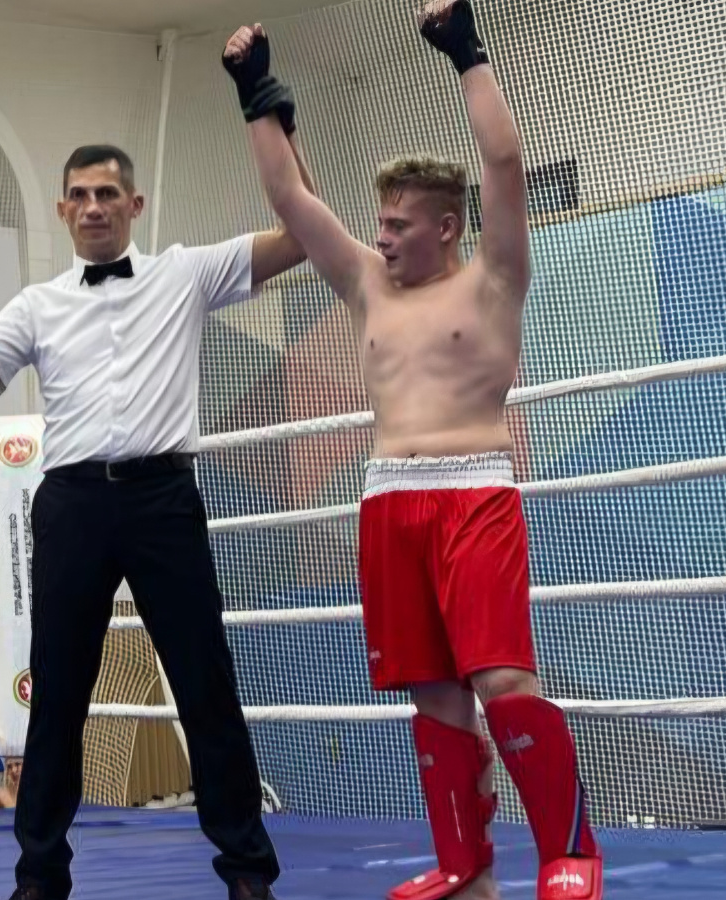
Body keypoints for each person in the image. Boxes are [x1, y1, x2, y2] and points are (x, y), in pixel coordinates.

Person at [227, 3, 601, 898]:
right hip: (388, 497)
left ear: (446, 226)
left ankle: (569, 853)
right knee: (432, 691)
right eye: (381, 222)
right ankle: (466, 867)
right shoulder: (367, 285)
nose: (383, 235)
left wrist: (467, 53)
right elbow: (291, 202)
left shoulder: (494, 279)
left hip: (474, 492)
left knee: (503, 678)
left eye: (398, 223)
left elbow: (503, 163)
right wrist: (254, 93)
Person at [0, 135, 313, 898]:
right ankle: (39, 877)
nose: (93, 207)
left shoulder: (185, 272)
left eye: (107, 194)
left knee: (204, 684)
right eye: (81, 196)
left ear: (135, 204)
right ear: (62, 210)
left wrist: (269, 117)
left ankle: (248, 873)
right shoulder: (38, 305)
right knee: (58, 695)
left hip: (164, 499)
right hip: (74, 504)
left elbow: (301, 233)